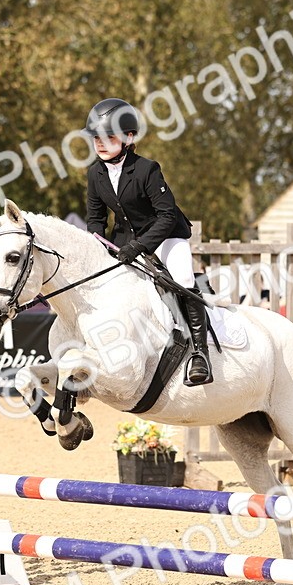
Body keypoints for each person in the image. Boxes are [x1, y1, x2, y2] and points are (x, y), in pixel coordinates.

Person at [83, 97, 211, 386]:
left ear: (128, 137)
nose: (100, 144)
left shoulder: (147, 169)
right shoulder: (95, 173)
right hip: (124, 240)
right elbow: (95, 219)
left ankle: (199, 354)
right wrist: (99, 246)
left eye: (108, 137)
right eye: (95, 138)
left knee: (182, 278)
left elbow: (166, 216)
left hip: (166, 234)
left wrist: (138, 247)